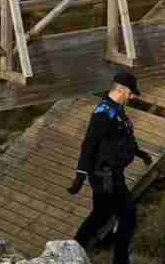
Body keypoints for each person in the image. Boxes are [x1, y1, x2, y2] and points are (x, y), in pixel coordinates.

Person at [67, 72, 153, 264]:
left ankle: (73, 248)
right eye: (131, 93)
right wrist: (80, 175)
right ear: (121, 90)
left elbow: (124, 137)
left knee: (101, 214)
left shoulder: (117, 108)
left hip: (112, 173)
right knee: (128, 215)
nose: (133, 97)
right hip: (105, 176)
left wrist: (140, 154)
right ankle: (120, 261)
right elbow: (89, 144)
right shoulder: (103, 113)